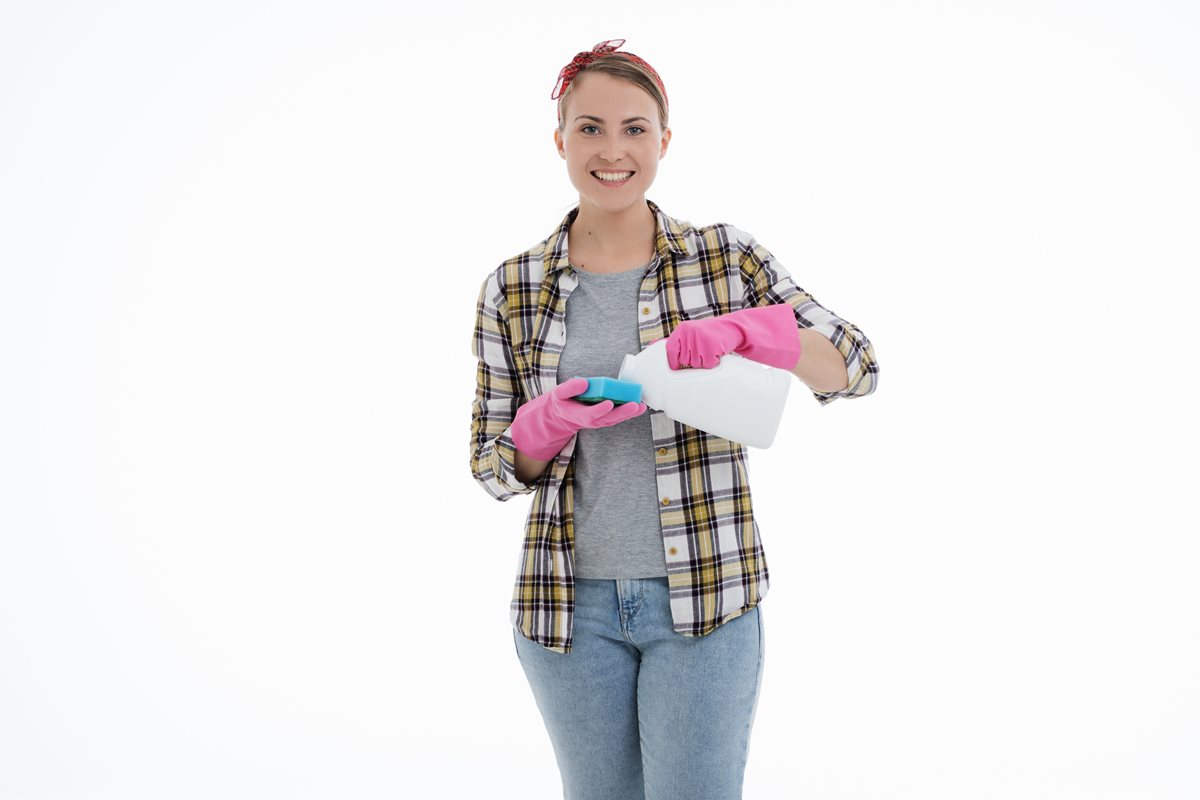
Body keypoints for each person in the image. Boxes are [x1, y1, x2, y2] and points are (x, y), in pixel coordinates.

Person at [469, 38, 879, 800]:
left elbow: (857, 365)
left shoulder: (725, 259)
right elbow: (492, 467)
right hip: (566, 611)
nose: (612, 150)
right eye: (589, 128)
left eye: (634, 128)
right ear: (560, 141)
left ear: (665, 138)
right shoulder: (514, 286)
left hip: (706, 599)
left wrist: (757, 332)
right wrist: (538, 429)